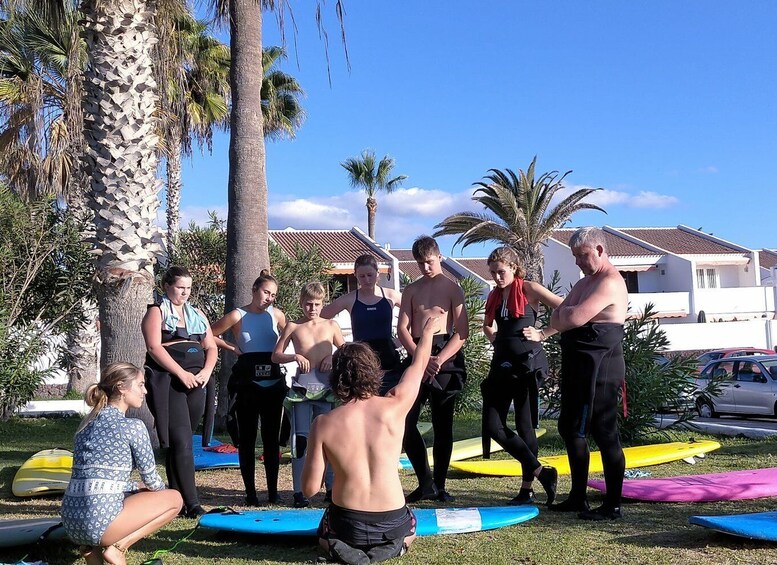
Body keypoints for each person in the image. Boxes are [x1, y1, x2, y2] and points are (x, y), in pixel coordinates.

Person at [302, 317, 440, 565]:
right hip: (392, 520)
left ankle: (337, 545)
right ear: (374, 371)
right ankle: (392, 547)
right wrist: (428, 332)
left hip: (347, 524)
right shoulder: (396, 406)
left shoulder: (323, 423)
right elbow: (418, 366)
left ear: (337, 377)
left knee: (324, 529)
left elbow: (309, 489)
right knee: (411, 529)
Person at [61, 363, 183, 565]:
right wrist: (157, 493)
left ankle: (92, 551)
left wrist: (134, 488)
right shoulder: (132, 426)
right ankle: (118, 548)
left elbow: (95, 477)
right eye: (140, 385)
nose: (145, 391)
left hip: (71, 520)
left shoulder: (85, 425)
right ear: (121, 387)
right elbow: (152, 481)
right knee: (174, 499)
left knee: (131, 494)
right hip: (98, 522)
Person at [549, 227, 628, 520]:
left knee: (604, 431)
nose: (579, 262)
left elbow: (571, 316)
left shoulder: (608, 282)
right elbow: (560, 317)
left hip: (602, 363)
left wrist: (565, 315)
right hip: (579, 362)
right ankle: (578, 497)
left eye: (582, 256)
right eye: (575, 257)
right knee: (570, 427)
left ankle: (613, 504)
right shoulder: (586, 283)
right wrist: (564, 315)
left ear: (599, 250)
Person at [481, 246, 562, 506]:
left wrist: (543, 333)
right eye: (493, 273)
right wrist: (492, 335)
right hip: (501, 366)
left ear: (514, 268)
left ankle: (527, 489)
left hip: (526, 366)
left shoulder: (529, 289)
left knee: (526, 427)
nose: (496, 277)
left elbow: (565, 309)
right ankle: (541, 472)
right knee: (493, 426)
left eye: (501, 272)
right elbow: (487, 324)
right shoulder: (494, 294)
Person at [141, 266, 218, 518]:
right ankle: (193, 504)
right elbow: (154, 347)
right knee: (181, 441)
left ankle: (177, 499)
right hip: (170, 382)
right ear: (167, 286)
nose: (184, 293)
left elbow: (211, 346)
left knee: (182, 443)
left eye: (188, 288)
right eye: (179, 287)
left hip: (197, 382)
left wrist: (206, 371)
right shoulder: (156, 312)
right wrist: (180, 373)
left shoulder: (197, 314)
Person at [397, 235, 468, 503]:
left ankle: (440, 484)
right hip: (418, 353)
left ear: (438, 257)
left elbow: (462, 332)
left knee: (442, 425)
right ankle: (424, 481)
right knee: (406, 421)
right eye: (420, 263)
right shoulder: (412, 290)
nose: (425, 268)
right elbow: (402, 328)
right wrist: (420, 359)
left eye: (429, 262)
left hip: (444, 356)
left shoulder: (452, 288)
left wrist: (438, 359)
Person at [211, 270, 288, 505]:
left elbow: (294, 334)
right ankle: (250, 493)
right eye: (266, 292)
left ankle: (273, 492)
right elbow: (209, 334)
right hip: (246, 383)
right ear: (255, 290)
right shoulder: (238, 314)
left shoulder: (277, 314)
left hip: (273, 382)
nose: (269, 298)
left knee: (271, 438)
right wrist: (233, 348)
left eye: (273, 295)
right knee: (246, 439)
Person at [273, 281, 346, 508]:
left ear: (322, 303)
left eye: (315, 304)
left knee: (331, 439)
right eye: (307, 304)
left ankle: (332, 488)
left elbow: (344, 351)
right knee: (300, 440)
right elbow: (276, 355)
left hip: (326, 389)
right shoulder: (294, 326)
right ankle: (299, 491)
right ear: (301, 304)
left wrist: (332, 357)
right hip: (302, 391)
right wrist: (294, 357)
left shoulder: (331, 325)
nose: (311, 309)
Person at [322, 254, 403, 395]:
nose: (366, 280)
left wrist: (401, 340)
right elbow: (318, 319)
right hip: (361, 364)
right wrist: (335, 349)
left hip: (388, 362)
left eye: (370, 275)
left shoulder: (391, 295)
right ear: (355, 275)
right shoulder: (350, 299)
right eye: (362, 276)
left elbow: (417, 313)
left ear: (378, 273)